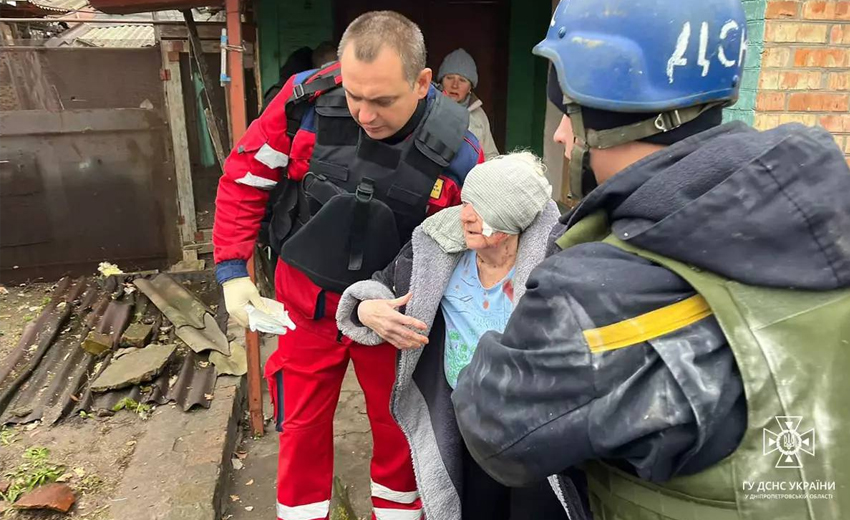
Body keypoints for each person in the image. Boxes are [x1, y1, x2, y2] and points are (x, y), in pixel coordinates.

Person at [452, 0, 850, 519]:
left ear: (600, 117)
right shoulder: (823, 209)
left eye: (568, 112)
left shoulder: (592, 294)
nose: (560, 135)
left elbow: (492, 427)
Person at [213, 10, 484, 520]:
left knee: (399, 429)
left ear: (423, 83)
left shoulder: (461, 153)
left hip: (394, 316)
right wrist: (232, 271)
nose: (363, 113)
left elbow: (469, 248)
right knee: (300, 428)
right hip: (305, 302)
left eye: (382, 100)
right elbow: (245, 179)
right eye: (355, 95)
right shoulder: (304, 104)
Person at [335, 152, 564, 520]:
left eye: (482, 208)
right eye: (467, 203)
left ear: (513, 219)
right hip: (469, 421)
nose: (466, 215)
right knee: (476, 509)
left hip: (536, 425)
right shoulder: (439, 246)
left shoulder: (557, 261)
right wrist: (365, 309)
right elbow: (381, 286)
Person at [437, 49, 499, 160]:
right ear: (441, 81)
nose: (455, 85)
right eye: (449, 78)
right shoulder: (430, 107)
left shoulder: (478, 115)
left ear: (470, 87)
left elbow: (490, 155)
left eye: (462, 80)